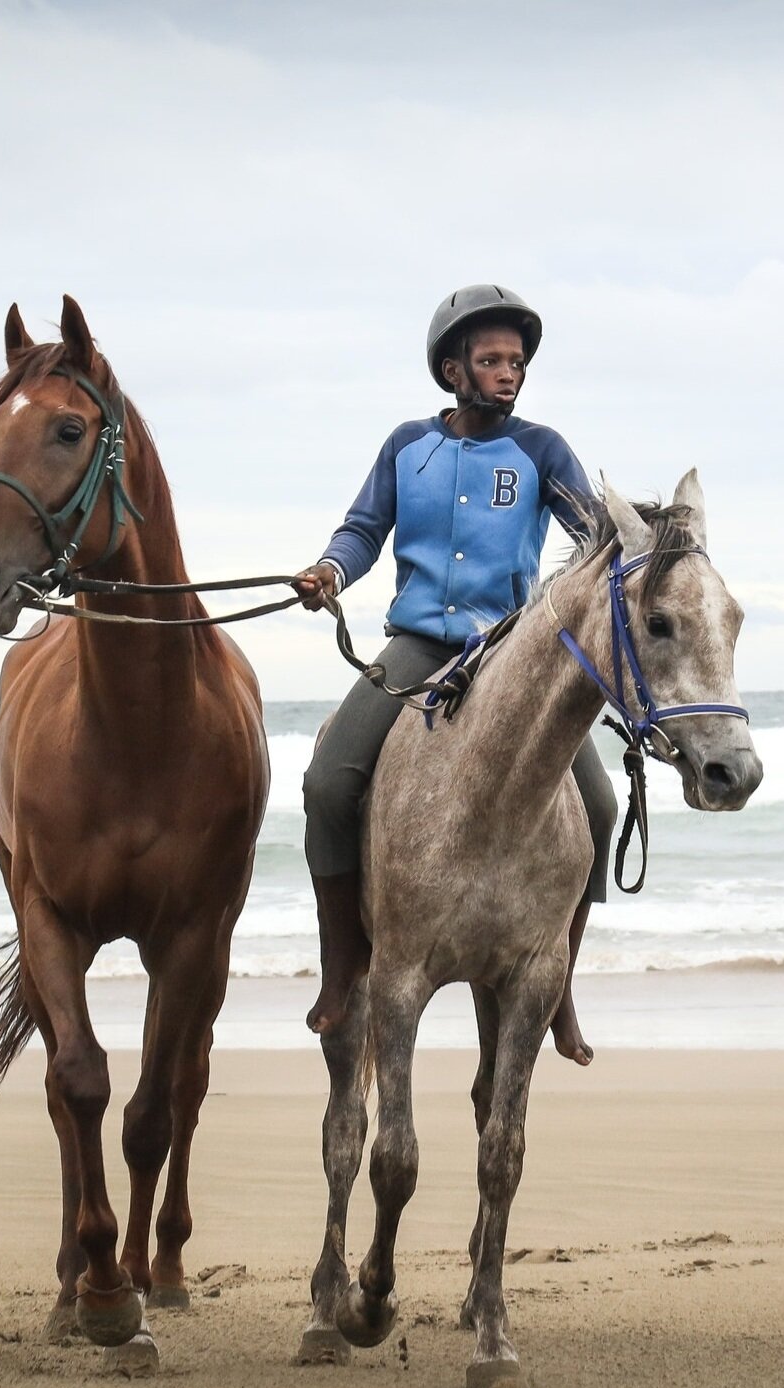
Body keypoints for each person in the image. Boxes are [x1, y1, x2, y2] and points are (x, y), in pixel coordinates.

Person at [293, 284, 616, 1065]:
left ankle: (560, 985)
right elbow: (365, 528)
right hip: (418, 647)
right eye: (493, 360)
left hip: (511, 655)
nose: (510, 374)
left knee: (601, 808)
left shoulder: (542, 449)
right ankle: (344, 965)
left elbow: (595, 535)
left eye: (517, 361)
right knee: (327, 785)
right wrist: (332, 570)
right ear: (452, 369)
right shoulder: (408, 445)